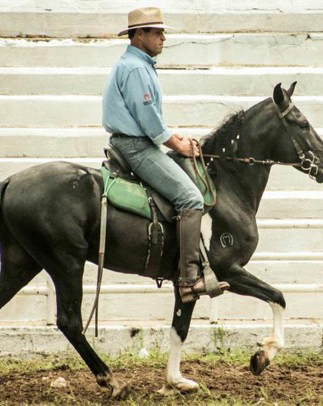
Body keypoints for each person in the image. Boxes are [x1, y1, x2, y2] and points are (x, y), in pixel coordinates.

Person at [102, 7, 229, 303]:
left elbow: (150, 120)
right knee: (191, 197)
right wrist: (179, 145)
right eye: (157, 33)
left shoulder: (138, 65)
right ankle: (188, 280)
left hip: (138, 142)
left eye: (162, 33)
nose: (162, 38)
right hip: (136, 147)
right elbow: (148, 120)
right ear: (138, 35)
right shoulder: (135, 69)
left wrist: (173, 136)